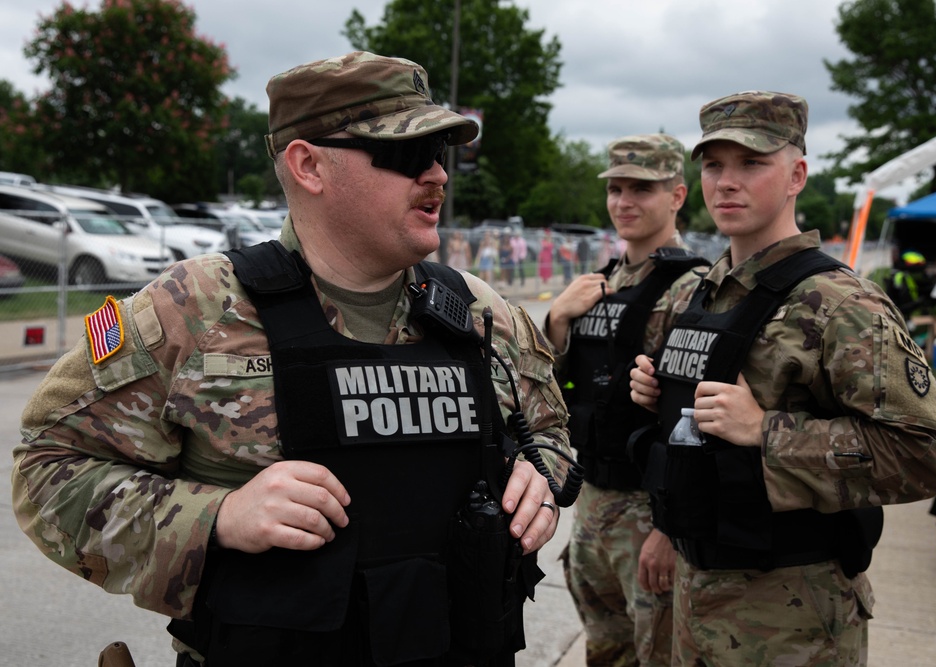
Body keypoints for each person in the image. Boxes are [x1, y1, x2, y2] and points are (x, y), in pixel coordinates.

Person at [12, 50, 572, 667]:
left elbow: (548, 432)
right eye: (408, 155)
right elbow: (47, 468)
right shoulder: (193, 310)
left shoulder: (478, 312)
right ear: (309, 165)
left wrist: (538, 479)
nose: (437, 176)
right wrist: (216, 517)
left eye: (441, 155)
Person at [629, 91, 936, 666]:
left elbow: (925, 452)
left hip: (792, 616)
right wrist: (659, 394)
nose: (726, 182)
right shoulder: (698, 290)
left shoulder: (841, 303)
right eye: (713, 165)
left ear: (796, 175)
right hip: (693, 597)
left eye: (752, 164)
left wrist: (768, 432)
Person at [545, 134, 708, 665]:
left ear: (677, 195)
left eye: (641, 188)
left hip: (647, 505)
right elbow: (551, 387)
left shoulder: (693, 288)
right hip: (593, 496)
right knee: (606, 649)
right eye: (615, 189)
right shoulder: (600, 283)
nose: (624, 202)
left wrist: (668, 525)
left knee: (657, 651)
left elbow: (691, 423)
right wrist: (557, 321)